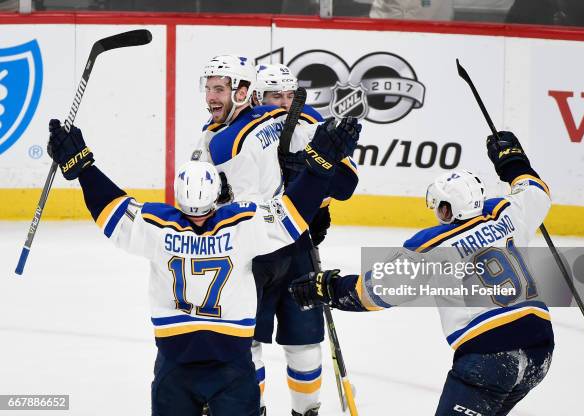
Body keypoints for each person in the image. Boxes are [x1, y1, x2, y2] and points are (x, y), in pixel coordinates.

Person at [45, 113, 359, 416]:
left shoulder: (157, 227)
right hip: (232, 367)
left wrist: (82, 167)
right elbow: (292, 214)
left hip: (175, 366)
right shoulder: (241, 226)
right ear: (216, 193)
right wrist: (319, 167)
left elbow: (111, 210)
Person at [290, 131, 555, 415]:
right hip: (541, 349)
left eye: (441, 209)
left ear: (447, 209)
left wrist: (327, 288)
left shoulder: (433, 246)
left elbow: (376, 292)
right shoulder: (507, 214)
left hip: (489, 357)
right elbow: (535, 192)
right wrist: (512, 160)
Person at [251, 63, 359, 415]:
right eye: (273, 97)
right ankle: (253, 408)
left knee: (306, 341)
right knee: (246, 338)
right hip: (254, 251)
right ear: (256, 98)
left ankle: (306, 410)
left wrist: (314, 177)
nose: (283, 104)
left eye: (288, 95)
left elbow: (346, 186)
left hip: (299, 248)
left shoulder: (313, 124)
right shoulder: (242, 131)